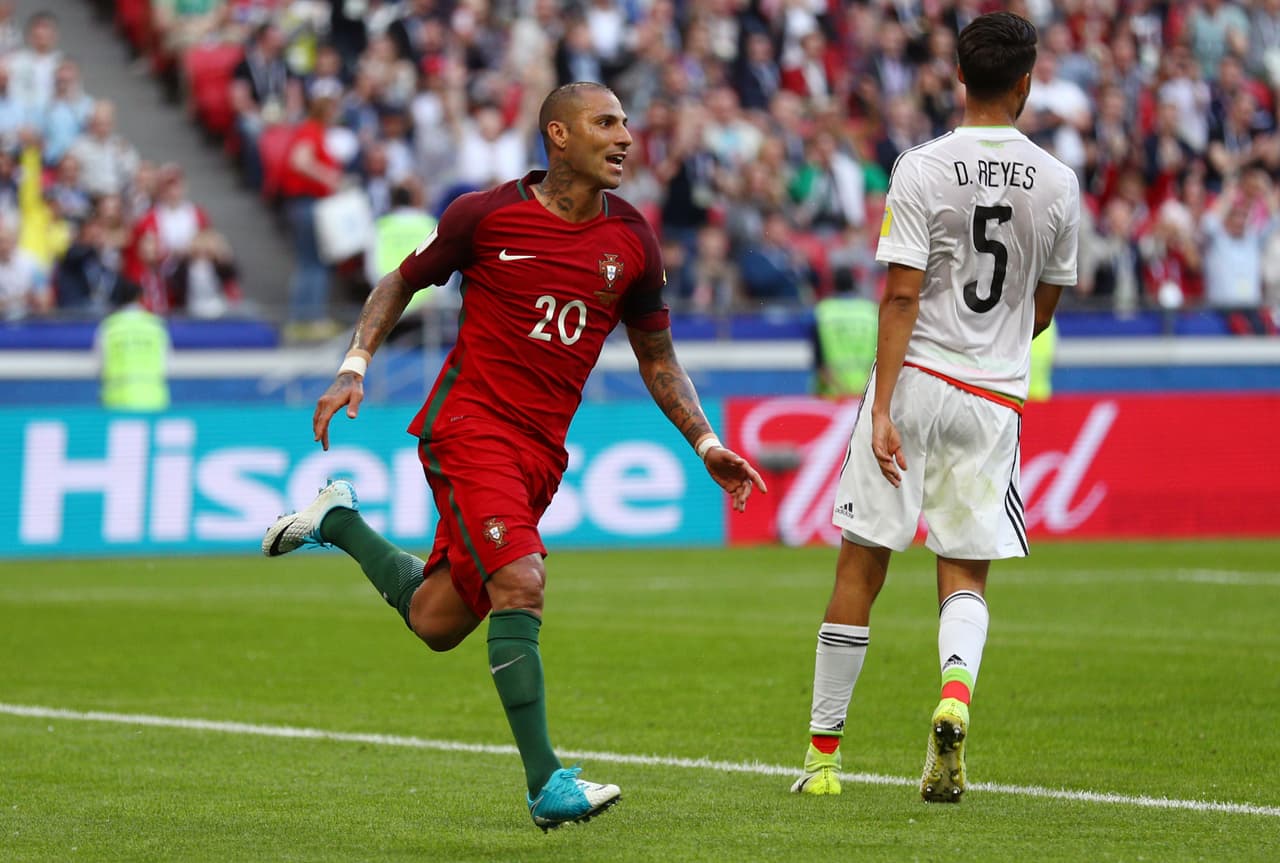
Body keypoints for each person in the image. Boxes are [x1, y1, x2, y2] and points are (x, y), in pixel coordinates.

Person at [262, 82, 766, 830]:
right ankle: (546, 783)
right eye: (607, 122)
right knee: (520, 581)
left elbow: (658, 355)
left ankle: (337, 521)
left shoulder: (632, 239)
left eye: (626, 122)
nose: (626, 136)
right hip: (469, 426)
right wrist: (355, 364)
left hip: (539, 452)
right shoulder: (485, 215)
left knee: (437, 621)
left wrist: (706, 441)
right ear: (558, 135)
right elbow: (401, 280)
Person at [790, 12, 1080, 802]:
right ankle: (954, 692)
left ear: (959, 77)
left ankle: (822, 759)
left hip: (914, 380)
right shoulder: (1060, 181)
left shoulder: (920, 166)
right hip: (991, 396)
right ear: (1026, 81)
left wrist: (882, 407)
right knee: (964, 572)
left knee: (862, 563)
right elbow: (1041, 307)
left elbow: (901, 294)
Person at [94, 279, 171, 412]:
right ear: (140, 298)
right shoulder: (156, 326)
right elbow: (167, 365)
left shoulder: (109, 328)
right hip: (153, 401)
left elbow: (99, 366)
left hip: (116, 403)